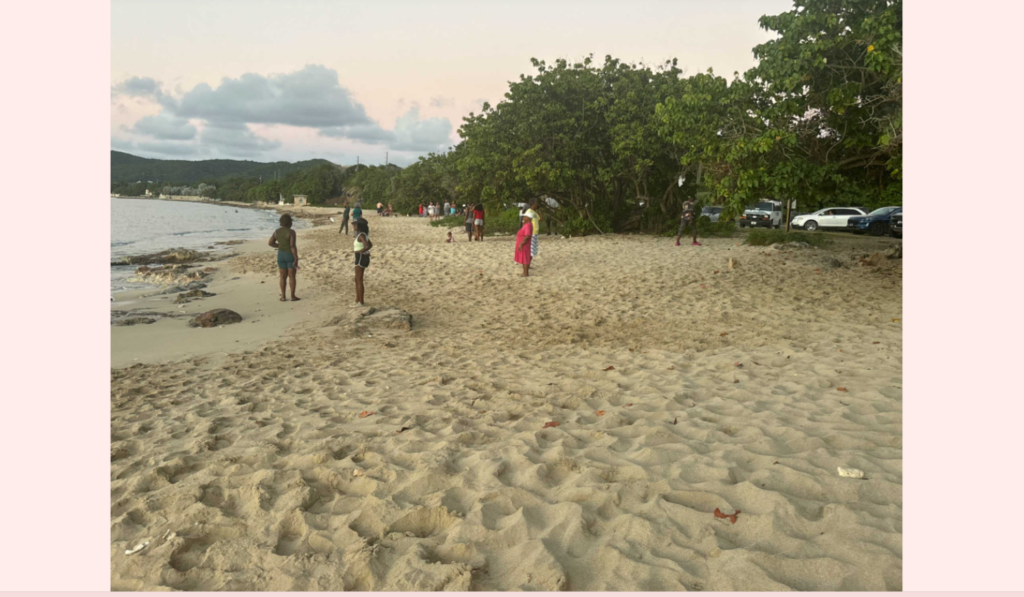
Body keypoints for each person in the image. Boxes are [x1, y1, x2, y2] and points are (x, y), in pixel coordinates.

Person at [268, 214, 300, 301]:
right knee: (291, 276)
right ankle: (292, 296)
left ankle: (283, 296)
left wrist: (280, 246)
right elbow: (292, 246)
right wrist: (296, 258)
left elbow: (270, 243)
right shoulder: (291, 232)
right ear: (289, 222)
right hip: (289, 255)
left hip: (281, 255)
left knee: (282, 276)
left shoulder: (276, 232)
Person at [353, 218, 371, 306]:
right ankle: (358, 299)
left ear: (359, 226)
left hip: (360, 257)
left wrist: (361, 251)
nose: (353, 226)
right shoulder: (363, 234)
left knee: (359, 279)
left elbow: (367, 245)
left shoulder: (361, 235)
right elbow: (370, 244)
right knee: (357, 279)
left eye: (355, 224)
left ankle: (361, 302)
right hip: (360, 257)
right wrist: (364, 250)